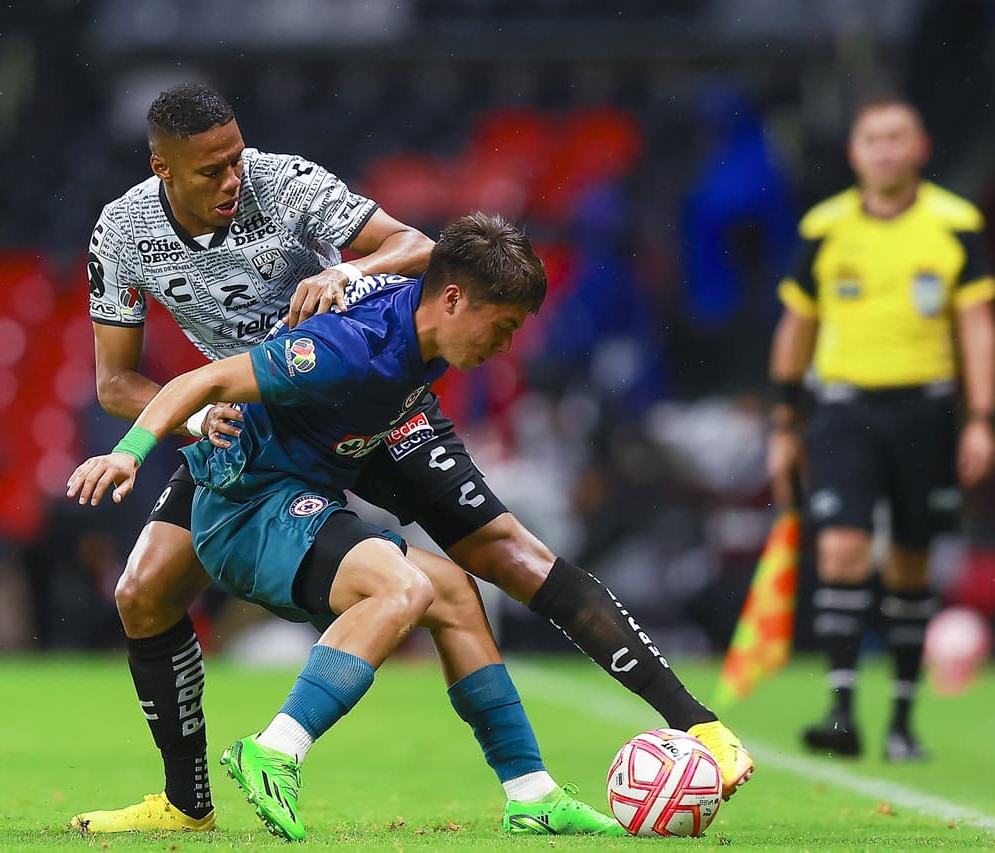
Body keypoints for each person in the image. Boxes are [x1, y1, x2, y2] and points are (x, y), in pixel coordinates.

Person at [82, 83, 752, 832]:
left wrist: (346, 272)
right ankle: (187, 802)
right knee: (143, 592)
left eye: (236, 158)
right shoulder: (123, 232)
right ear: (161, 169)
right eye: (210, 171)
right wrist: (199, 420)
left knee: (505, 558)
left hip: (370, 396)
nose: (233, 179)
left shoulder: (285, 183)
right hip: (259, 420)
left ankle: (680, 731)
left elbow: (421, 251)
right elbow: (116, 383)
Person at [70, 214, 626, 840]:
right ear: (452, 300)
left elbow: (415, 244)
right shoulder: (350, 347)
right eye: (502, 327)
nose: (505, 346)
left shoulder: (420, 332)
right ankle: (275, 750)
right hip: (246, 504)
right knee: (402, 589)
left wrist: (355, 267)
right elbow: (206, 379)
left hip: (293, 496)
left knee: (454, 594)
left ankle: (532, 792)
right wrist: (130, 452)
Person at [766, 96, 995, 762]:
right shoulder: (825, 227)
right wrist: (785, 422)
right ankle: (841, 710)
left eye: (898, 137)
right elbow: (797, 326)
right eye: (873, 138)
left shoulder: (957, 223)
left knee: (909, 561)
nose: (886, 150)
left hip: (926, 409)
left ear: (920, 146)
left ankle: (902, 719)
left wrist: (980, 418)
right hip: (843, 407)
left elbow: (976, 326)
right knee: (841, 549)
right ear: (854, 152)